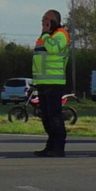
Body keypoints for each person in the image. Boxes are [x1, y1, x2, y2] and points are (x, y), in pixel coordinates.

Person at [33, 9, 70, 158]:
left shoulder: (60, 34)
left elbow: (53, 49)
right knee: (46, 116)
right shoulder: (45, 36)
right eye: (43, 19)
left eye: (46, 19)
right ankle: (50, 146)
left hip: (54, 81)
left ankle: (58, 147)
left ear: (54, 21)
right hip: (43, 81)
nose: (43, 22)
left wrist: (46, 34)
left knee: (54, 116)